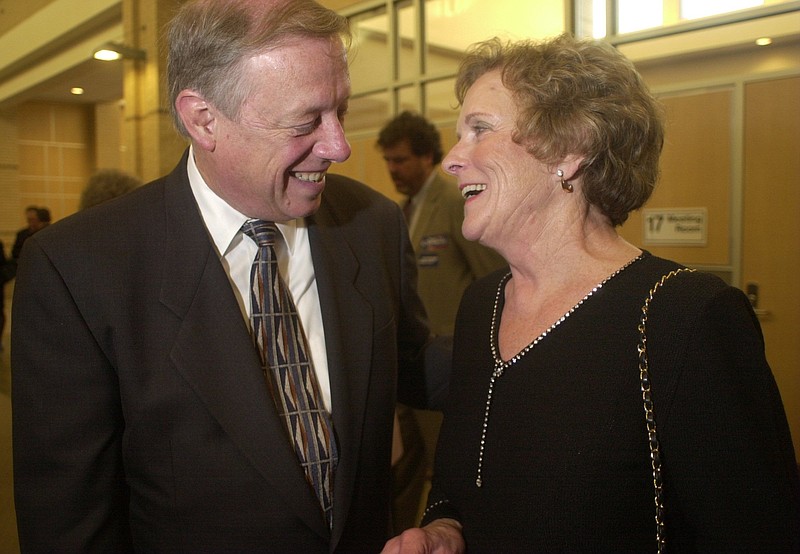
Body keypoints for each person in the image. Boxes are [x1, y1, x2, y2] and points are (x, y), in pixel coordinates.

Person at [12, 0, 449, 551]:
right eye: (306, 121)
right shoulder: (78, 269)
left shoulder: (370, 224)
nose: (339, 146)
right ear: (204, 119)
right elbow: (70, 521)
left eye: (341, 110)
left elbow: (408, 363)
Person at [383, 34, 800, 553]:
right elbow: (459, 484)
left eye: (480, 130)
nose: (452, 159)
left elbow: (759, 534)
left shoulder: (683, 316)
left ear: (568, 147)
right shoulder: (482, 306)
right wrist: (445, 530)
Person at [377, 112, 505, 531]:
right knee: (401, 470)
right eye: (389, 162)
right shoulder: (402, 211)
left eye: (401, 160)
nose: (393, 170)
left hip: (449, 364)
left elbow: (493, 277)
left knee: (447, 470)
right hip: (410, 365)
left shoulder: (452, 201)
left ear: (426, 156)